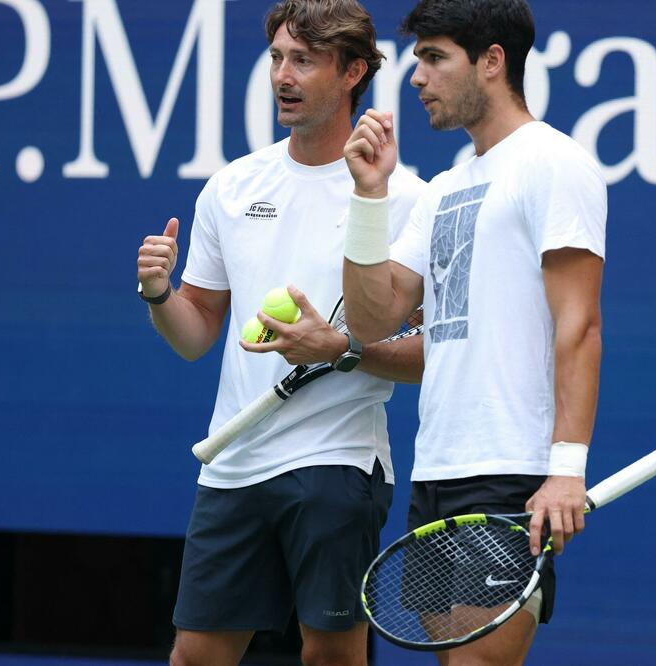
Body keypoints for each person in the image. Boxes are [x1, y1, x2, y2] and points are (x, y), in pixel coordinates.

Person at [135, 1, 425, 664]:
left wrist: (344, 350)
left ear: (353, 71)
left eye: (304, 60)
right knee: (195, 657)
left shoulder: (407, 197)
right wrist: (159, 295)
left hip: (336, 459)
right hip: (235, 462)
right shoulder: (233, 187)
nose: (282, 76)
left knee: (330, 655)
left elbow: (434, 351)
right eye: (276, 58)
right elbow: (196, 333)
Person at [340, 0, 606, 663]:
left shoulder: (554, 162)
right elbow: (374, 315)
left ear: (492, 62)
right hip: (437, 468)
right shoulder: (441, 189)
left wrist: (565, 471)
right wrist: (370, 197)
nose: (416, 77)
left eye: (434, 58)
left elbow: (580, 323)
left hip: (512, 473)